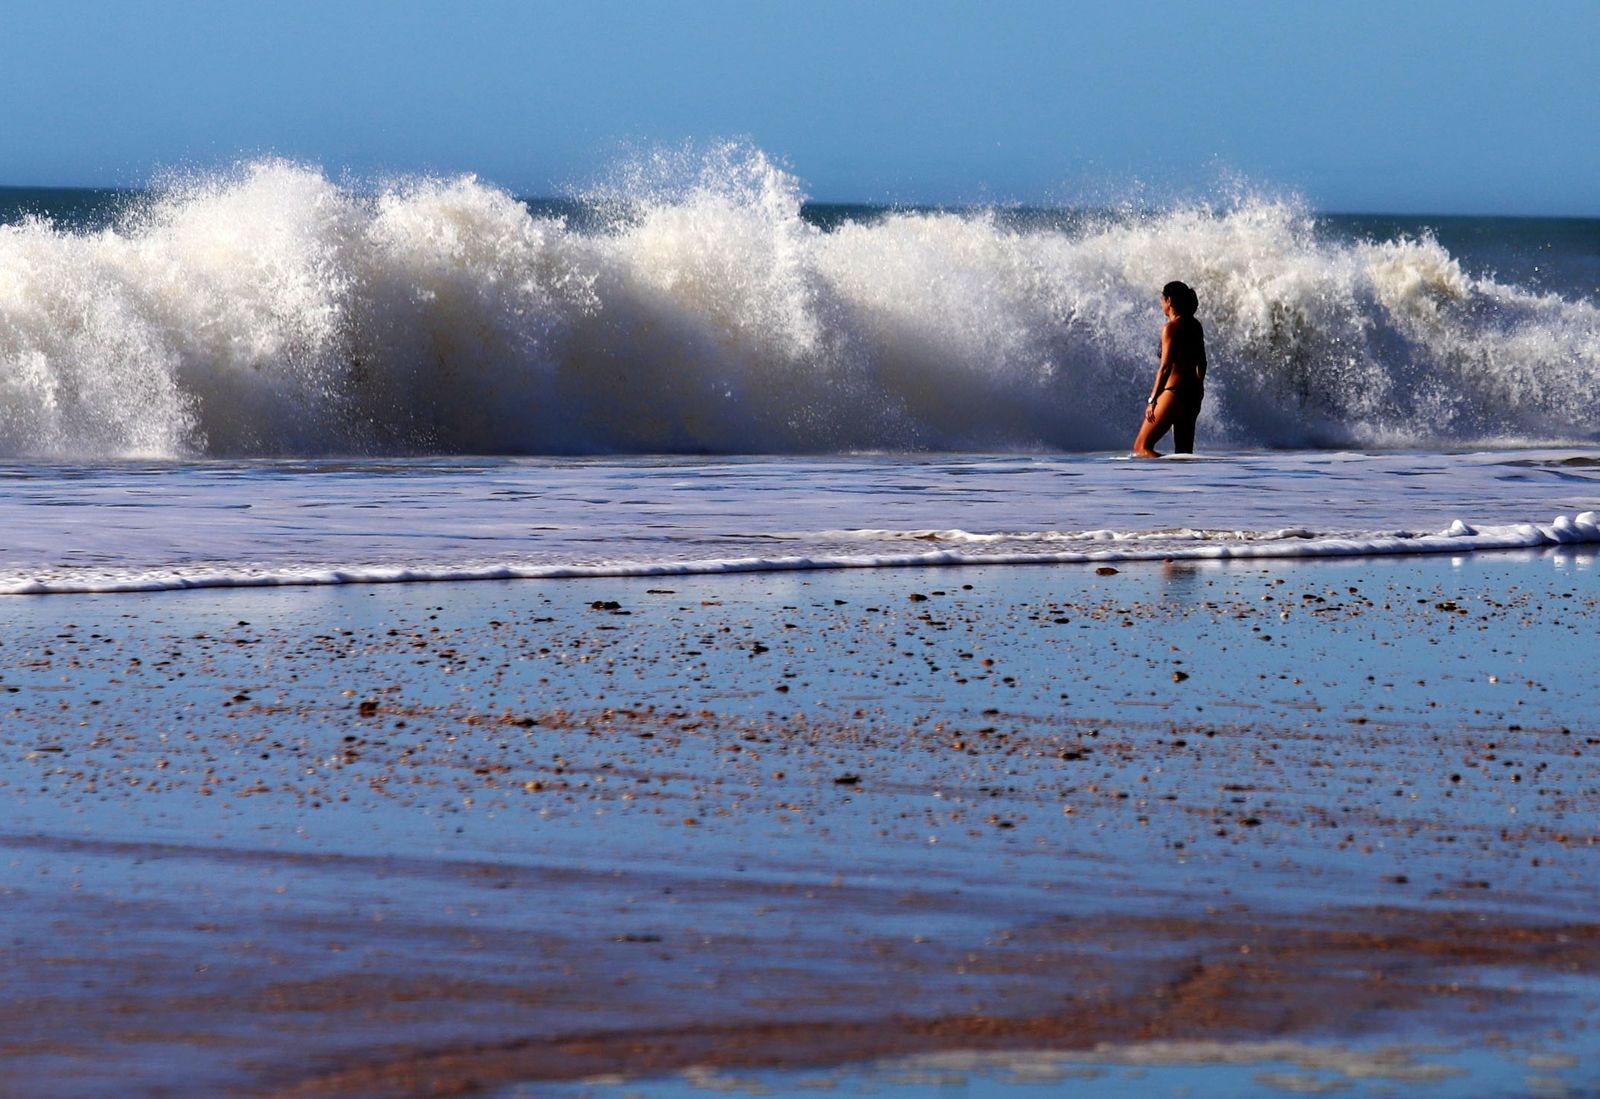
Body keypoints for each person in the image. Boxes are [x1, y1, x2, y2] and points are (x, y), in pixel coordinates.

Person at [1133, 281, 1207, 457]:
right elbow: (1202, 361)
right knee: (1184, 454)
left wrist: (1153, 400)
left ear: (1169, 300)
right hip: (1192, 394)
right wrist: (1199, 386)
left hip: (1173, 393)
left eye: (1162, 299)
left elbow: (1165, 368)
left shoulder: (1170, 329)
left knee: (1141, 447)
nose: (1161, 304)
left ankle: (1161, 479)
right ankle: (1186, 484)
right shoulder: (1195, 326)